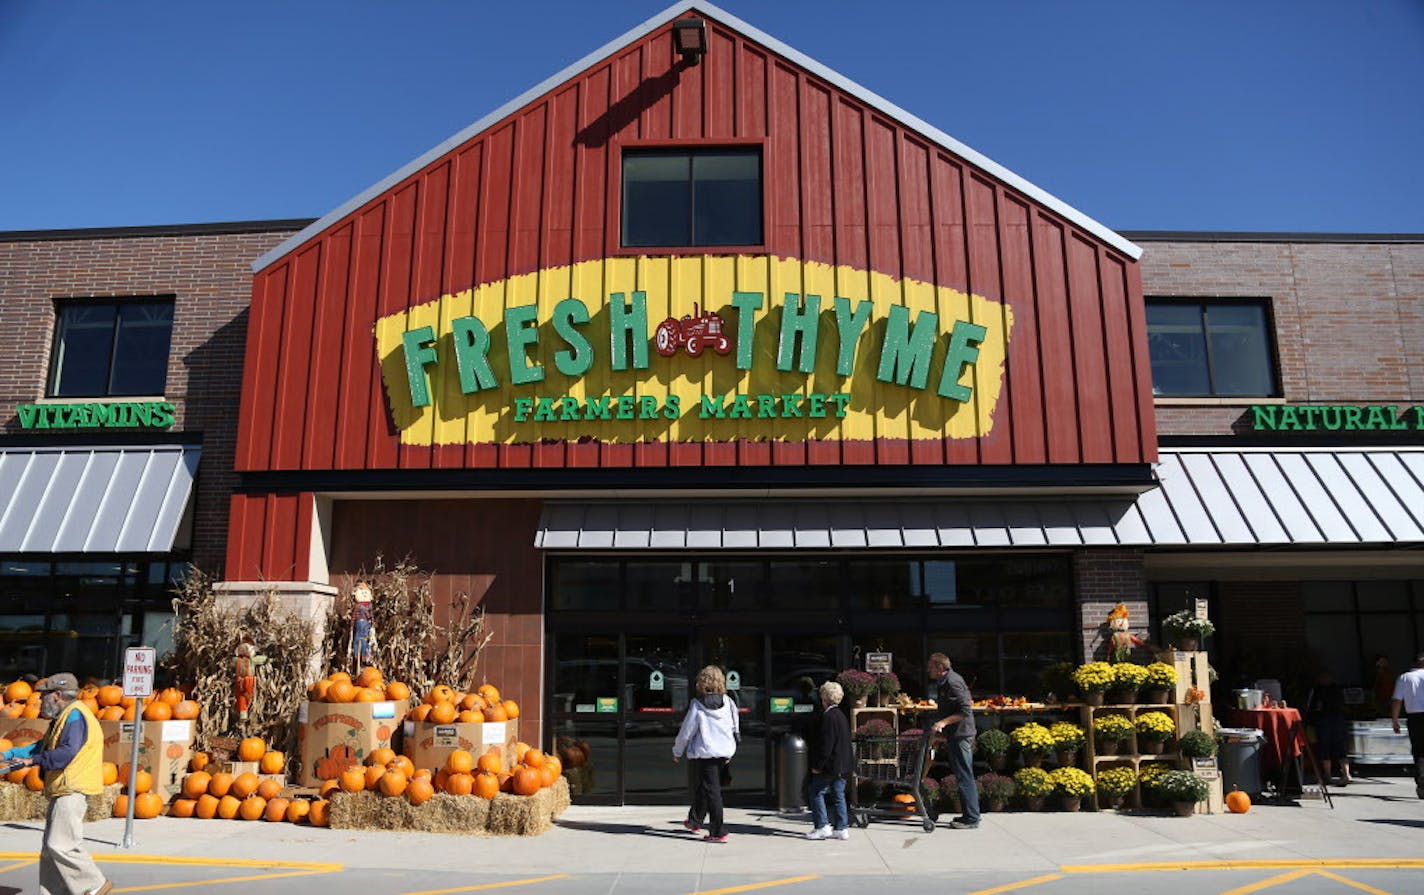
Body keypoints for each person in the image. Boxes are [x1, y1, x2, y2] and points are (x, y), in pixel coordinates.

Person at [0, 672, 111, 895]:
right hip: (63, 788)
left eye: (43, 696)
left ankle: (94, 884)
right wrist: (8, 754)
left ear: (57, 695)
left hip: (72, 788)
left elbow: (65, 754)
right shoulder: (65, 717)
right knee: (50, 851)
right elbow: (42, 747)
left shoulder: (76, 717)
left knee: (62, 844)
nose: (40, 701)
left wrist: (31, 762)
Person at [673, 665, 740, 842]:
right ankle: (695, 820)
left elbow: (686, 732)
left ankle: (718, 831)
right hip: (724, 751)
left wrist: (677, 751)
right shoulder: (729, 702)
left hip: (707, 753)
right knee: (707, 785)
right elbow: (735, 726)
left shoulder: (697, 705)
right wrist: (732, 749)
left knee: (712, 790)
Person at [926, 652, 980, 829]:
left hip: (961, 735)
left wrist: (942, 723)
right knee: (962, 774)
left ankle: (971, 818)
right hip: (955, 734)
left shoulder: (953, 682)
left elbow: (965, 710)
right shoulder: (944, 682)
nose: (928, 669)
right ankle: (968, 815)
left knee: (965, 775)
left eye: (931, 666)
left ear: (940, 668)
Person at [806, 680, 852, 840]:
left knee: (816, 792)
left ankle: (822, 826)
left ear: (824, 698)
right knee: (838, 795)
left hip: (830, 765)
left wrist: (818, 765)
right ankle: (841, 828)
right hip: (842, 766)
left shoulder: (828, 717)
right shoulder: (841, 715)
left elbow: (826, 746)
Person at [1305, 670, 1350, 786]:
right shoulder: (1338, 690)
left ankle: (1328, 775)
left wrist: (1310, 719)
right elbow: (1344, 706)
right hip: (1339, 720)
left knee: (1324, 749)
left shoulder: (1316, 690)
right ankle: (1345, 774)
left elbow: (1310, 707)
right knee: (1341, 749)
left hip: (1323, 721)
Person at [1389, 652, 1424, 799]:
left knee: (1418, 750)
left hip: (1415, 718)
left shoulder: (1404, 678)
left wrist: (1395, 720)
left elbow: (1397, 700)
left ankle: (1422, 779)